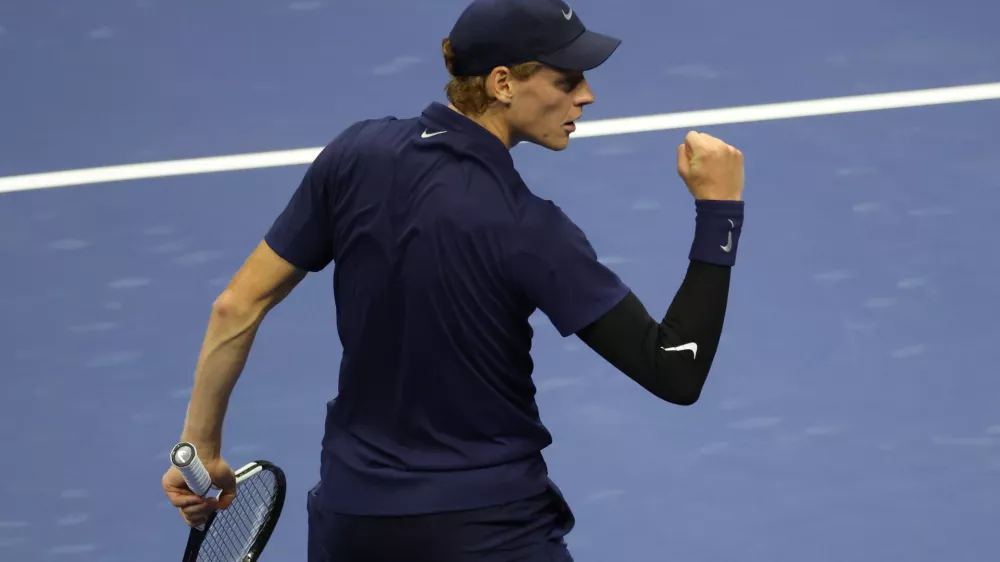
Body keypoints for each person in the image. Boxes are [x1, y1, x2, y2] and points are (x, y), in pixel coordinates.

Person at [161, 0, 745, 560]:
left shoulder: (353, 154)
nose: (587, 95)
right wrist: (719, 211)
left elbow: (236, 307)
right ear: (502, 83)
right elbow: (674, 369)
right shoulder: (530, 228)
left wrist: (199, 450)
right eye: (567, 80)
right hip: (486, 532)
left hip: (352, 524)